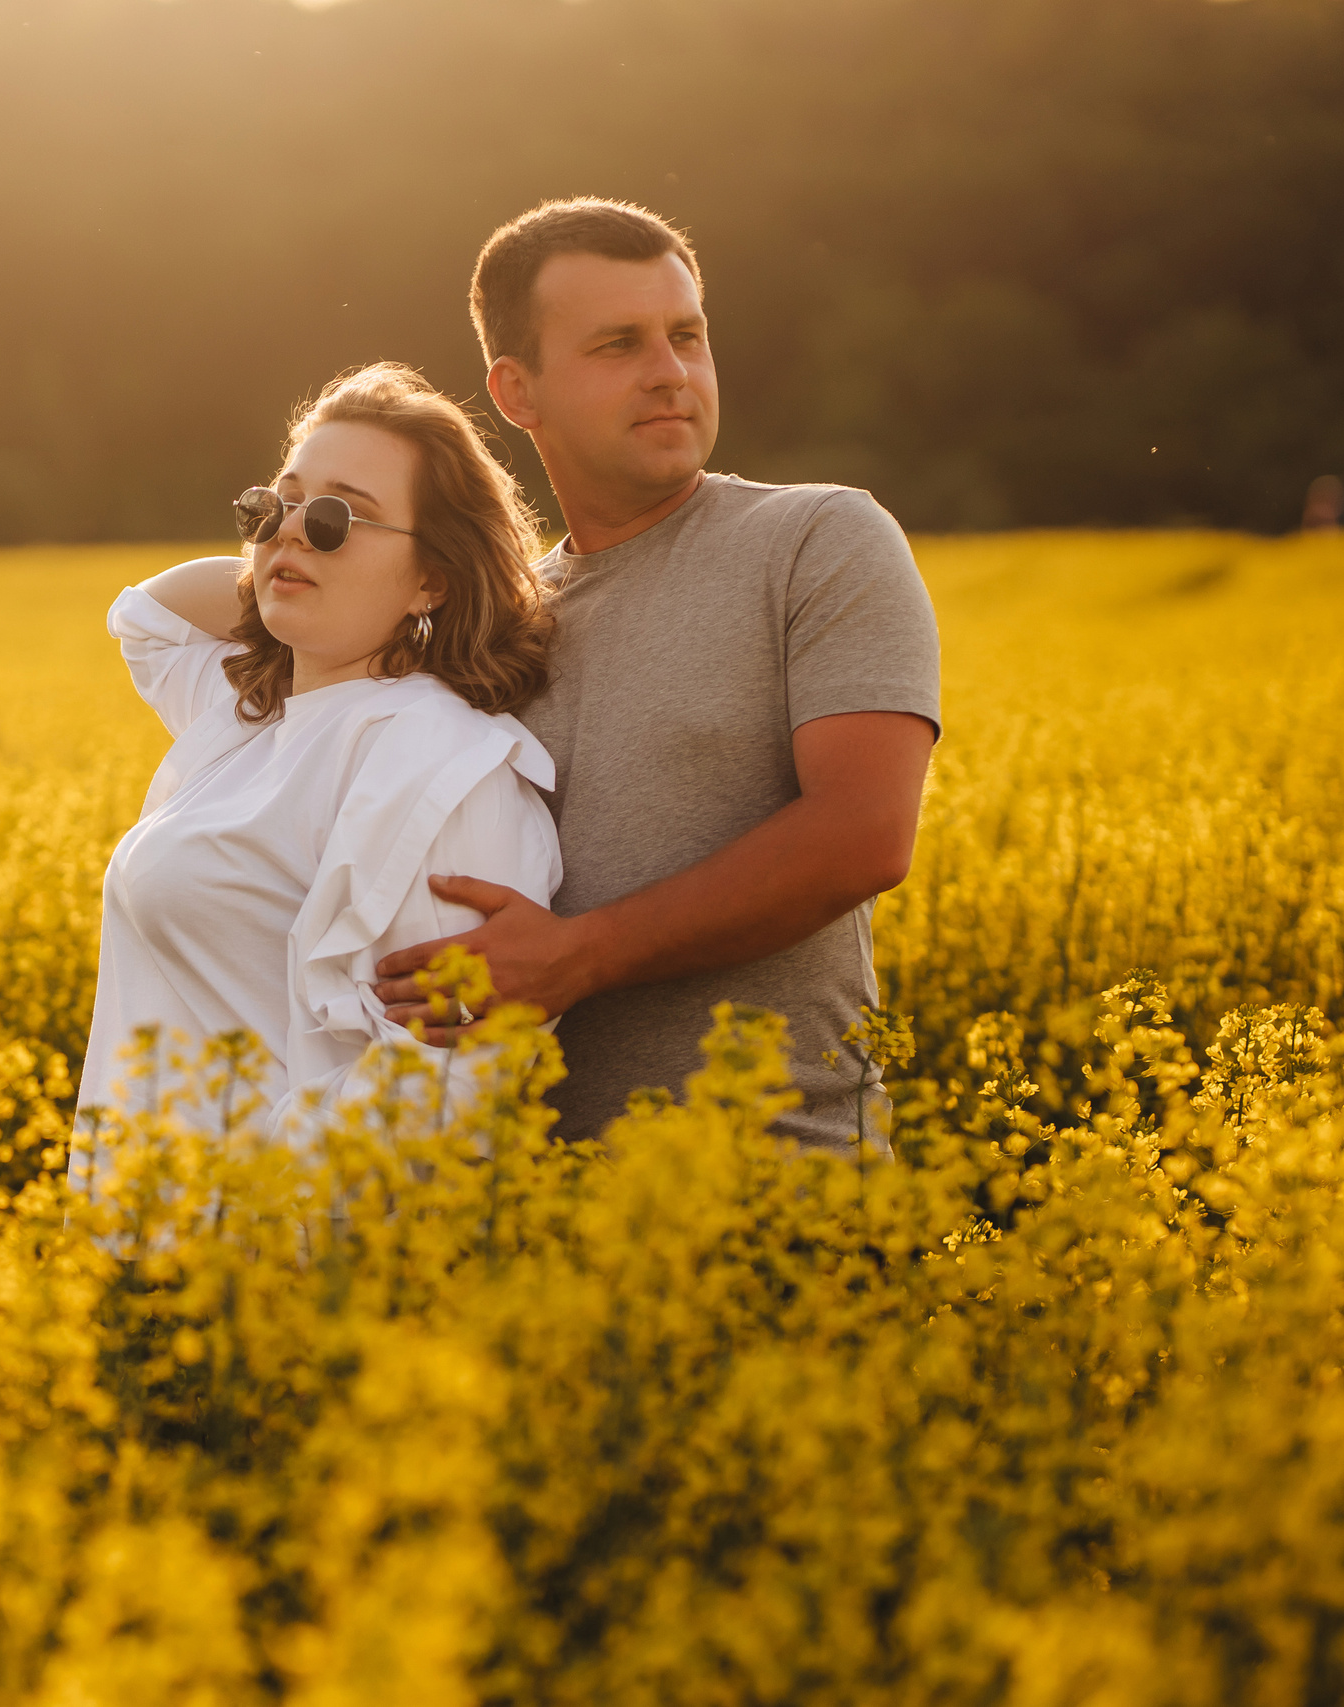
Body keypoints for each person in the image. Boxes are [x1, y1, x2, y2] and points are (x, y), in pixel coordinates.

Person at [376, 198, 942, 1156]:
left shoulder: (818, 540)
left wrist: (575, 959)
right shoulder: (491, 622)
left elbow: (865, 835)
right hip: (515, 1212)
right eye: (619, 345)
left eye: (688, 336)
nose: (671, 373)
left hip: (782, 1187)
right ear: (517, 392)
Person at [76, 362, 560, 1153]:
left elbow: (445, 1091)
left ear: (431, 578)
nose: (293, 527)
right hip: (147, 1242)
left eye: (339, 517)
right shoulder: (252, 716)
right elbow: (145, 618)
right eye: (275, 505)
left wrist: (249, 1226)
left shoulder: (441, 763)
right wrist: (288, 565)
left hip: (261, 1254)